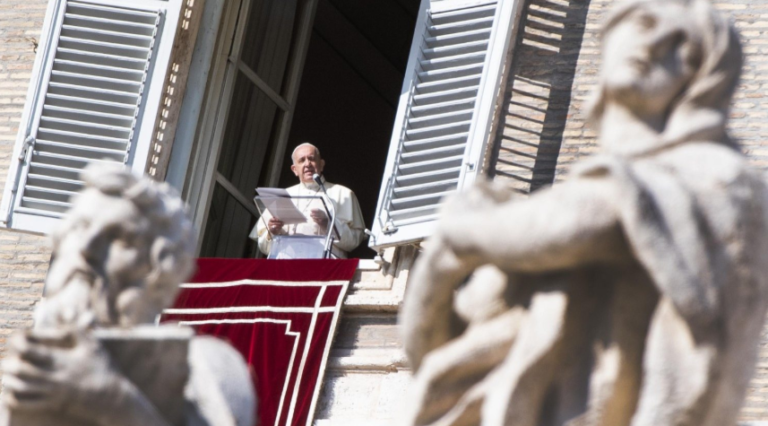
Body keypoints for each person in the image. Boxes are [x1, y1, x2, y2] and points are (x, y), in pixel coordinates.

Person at [400, 0, 768, 425]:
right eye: (644, 22)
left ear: (703, 76)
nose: (656, 43)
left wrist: (462, 231)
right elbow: (431, 352)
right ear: (609, 37)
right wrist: (446, 259)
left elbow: (580, 225)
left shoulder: (718, 176)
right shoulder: (541, 237)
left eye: (684, 45)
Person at [1, 164, 255, 426]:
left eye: (119, 239)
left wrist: (112, 400)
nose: (87, 249)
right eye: (81, 228)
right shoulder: (34, 367)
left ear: (161, 266)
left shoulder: (204, 366)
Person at [251, 142, 365, 258]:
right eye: (301, 160)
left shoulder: (343, 193)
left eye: (311, 159)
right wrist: (272, 232)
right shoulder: (281, 197)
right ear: (294, 169)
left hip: (324, 266)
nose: (307, 164)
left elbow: (354, 242)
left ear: (321, 164)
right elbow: (263, 247)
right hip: (285, 266)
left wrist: (328, 224)